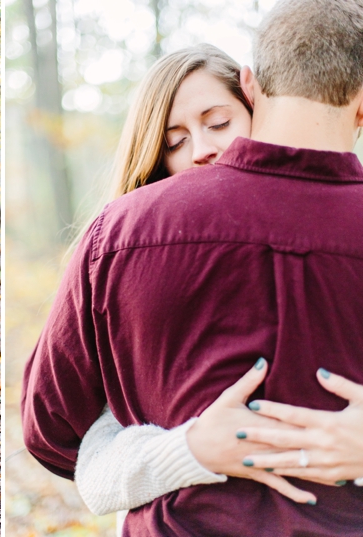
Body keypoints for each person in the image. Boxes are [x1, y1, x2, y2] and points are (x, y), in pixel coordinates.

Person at [21, 0, 363, 534]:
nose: (202, 151)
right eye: (175, 142)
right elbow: (62, 434)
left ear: (250, 92)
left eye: (219, 122)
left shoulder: (121, 234)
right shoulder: (126, 234)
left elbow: (51, 429)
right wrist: (186, 447)